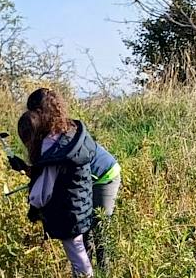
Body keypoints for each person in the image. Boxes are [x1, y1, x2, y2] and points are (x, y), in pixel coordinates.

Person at [24, 87, 122, 273]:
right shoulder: (59, 131)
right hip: (91, 177)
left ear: (39, 112)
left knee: (99, 229)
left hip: (105, 174)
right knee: (85, 233)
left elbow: (50, 181)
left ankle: (104, 271)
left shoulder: (58, 139)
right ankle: (89, 270)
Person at [16, 110, 96, 277]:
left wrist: (34, 206)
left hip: (68, 210)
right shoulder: (66, 137)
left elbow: (42, 193)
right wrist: (27, 169)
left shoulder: (50, 149)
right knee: (81, 250)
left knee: (78, 258)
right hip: (80, 204)